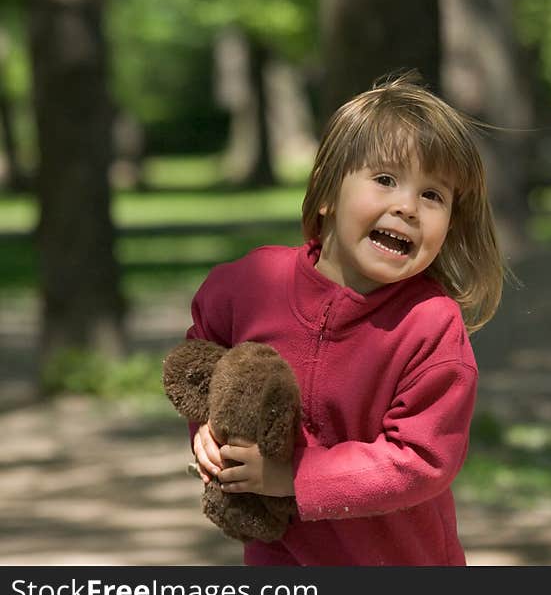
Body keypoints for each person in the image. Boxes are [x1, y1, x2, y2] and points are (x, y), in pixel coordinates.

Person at [185, 71, 507, 565]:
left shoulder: (429, 325)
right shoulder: (250, 284)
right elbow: (202, 357)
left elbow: (421, 458)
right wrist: (207, 428)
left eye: (433, 195)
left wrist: (296, 476)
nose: (407, 208)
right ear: (328, 191)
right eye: (385, 180)